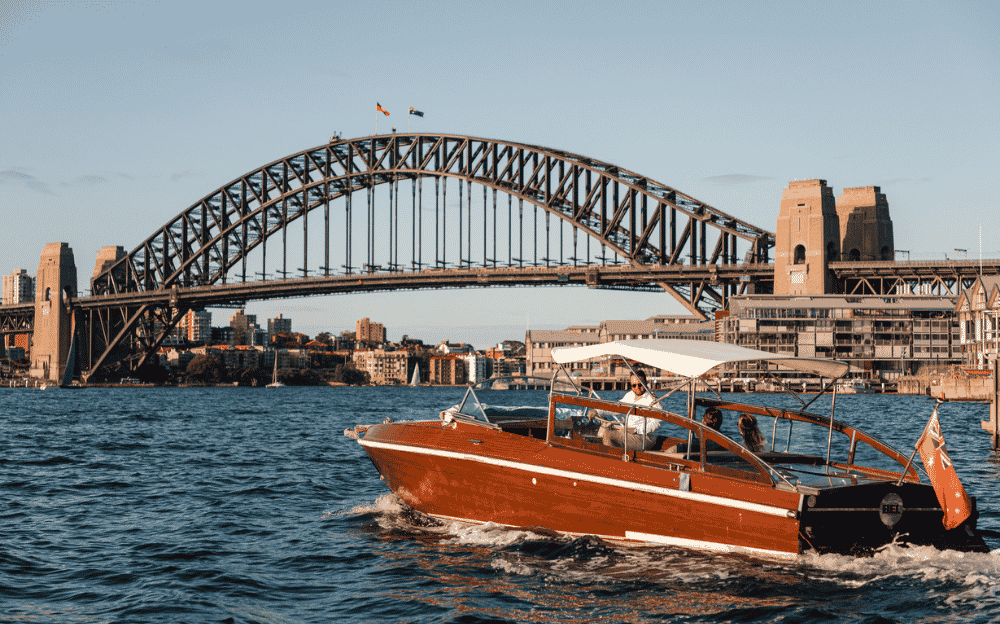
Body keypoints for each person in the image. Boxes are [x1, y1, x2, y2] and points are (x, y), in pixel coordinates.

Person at [598, 370, 661, 451]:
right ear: (631, 385)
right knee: (604, 428)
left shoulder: (652, 399)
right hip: (629, 434)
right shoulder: (630, 395)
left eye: (640, 384)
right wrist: (597, 411)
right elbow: (616, 407)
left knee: (608, 435)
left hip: (645, 438)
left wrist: (636, 430)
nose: (637, 388)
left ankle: (614, 461)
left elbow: (656, 423)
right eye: (634, 385)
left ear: (646, 383)